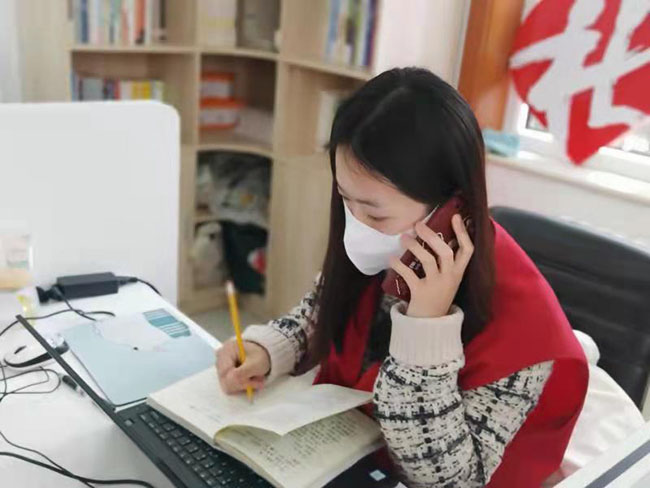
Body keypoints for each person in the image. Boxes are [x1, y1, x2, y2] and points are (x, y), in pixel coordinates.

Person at [215, 68, 589, 488]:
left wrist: (425, 330)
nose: (356, 225)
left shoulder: (527, 334)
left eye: (375, 214)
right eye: (345, 200)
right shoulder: (388, 245)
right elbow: (322, 310)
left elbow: (450, 480)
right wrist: (270, 349)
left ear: (452, 210)